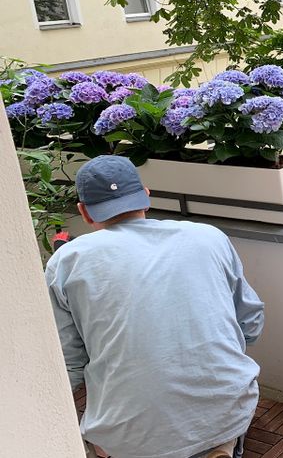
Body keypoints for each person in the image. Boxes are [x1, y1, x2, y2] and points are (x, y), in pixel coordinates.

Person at [46, 155, 265, 458]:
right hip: (229, 407)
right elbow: (251, 321)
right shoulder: (208, 237)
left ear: (84, 212)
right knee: (216, 419)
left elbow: (68, 362)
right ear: (146, 196)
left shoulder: (67, 261)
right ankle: (219, 444)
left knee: (102, 435)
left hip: (132, 435)